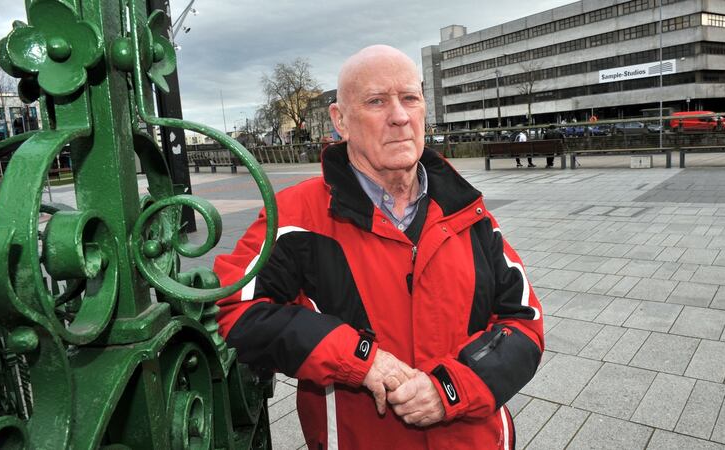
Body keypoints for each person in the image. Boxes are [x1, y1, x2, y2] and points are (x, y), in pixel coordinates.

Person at [214, 45, 544, 450]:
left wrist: (450, 389)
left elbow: (524, 323)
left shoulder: (468, 214)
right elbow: (237, 312)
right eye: (376, 101)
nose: (400, 116)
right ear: (341, 121)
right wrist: (359, 359)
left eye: (410, 98)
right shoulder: (296, 217)